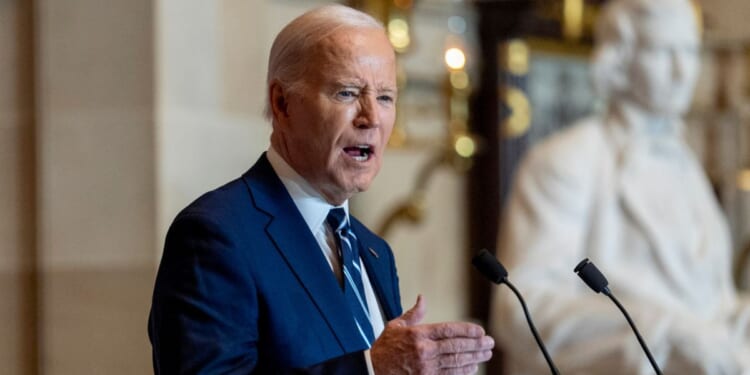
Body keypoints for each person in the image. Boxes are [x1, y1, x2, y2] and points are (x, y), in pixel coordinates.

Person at [148, 4, 494, 374]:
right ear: (282, 104)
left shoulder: (375, 252)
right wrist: (371, 368)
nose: (371, 119)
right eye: (347, 93)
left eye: (385, 97)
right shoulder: (216, 235)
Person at [491, 0, 750, 373]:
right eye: (664, 51)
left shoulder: (685, 164)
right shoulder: (567, 160)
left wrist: (738, 316)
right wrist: (663, 331)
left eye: (690, 51)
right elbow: (520, 309)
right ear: (622, 56)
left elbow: (710, 302)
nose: (682, 71)